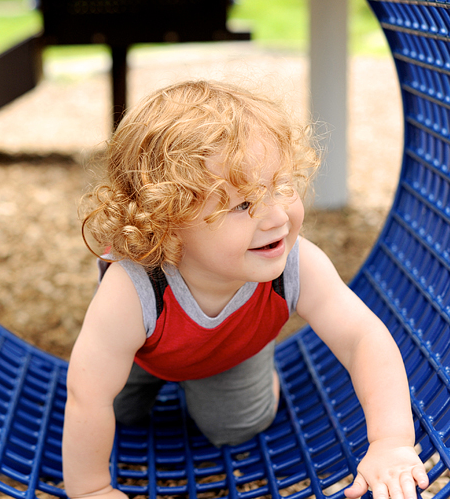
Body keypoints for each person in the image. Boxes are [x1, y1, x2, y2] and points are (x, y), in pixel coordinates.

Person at [63, 81, 430, 499]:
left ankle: (258, 366)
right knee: (119, 411)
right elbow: (87, 393)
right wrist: (90, 489)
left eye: (282, 186)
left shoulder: (296, 263)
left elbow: (362, 338)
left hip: (230, 353)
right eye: (241, 205)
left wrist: (391, 442)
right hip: (142, 352)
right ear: (167, 225)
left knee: (236, 427)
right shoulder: (134, 286)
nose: (275, 217)